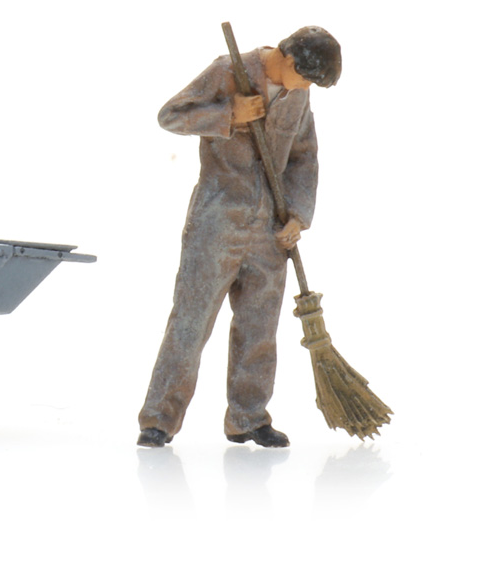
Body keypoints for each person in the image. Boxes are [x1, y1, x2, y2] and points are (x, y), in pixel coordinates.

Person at [137, 26, 342, 448]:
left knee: (259, 328)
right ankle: (159, 419)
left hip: (270, 229)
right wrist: (228, 113)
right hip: (217, 221)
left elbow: (304, 156)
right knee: (191, 322)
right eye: (305, 79)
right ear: (288, 60)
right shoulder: (228, 71)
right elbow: (170, 116)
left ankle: (248, 418)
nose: (306, 89)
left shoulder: (298, 96)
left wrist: (298, 216)